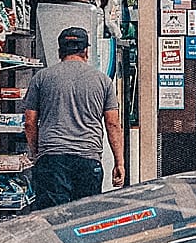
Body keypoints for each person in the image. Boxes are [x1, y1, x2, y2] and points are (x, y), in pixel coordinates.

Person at [22, 26, 125, 206]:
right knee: (84, 217)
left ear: (59, 51)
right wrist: (119, 163)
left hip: (52, 160)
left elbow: (29, 122)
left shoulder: (41, 78)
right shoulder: (103, 81)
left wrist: (37, 153)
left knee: (52, 217)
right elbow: (113, 124)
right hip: (88, 160)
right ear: (86, 51)